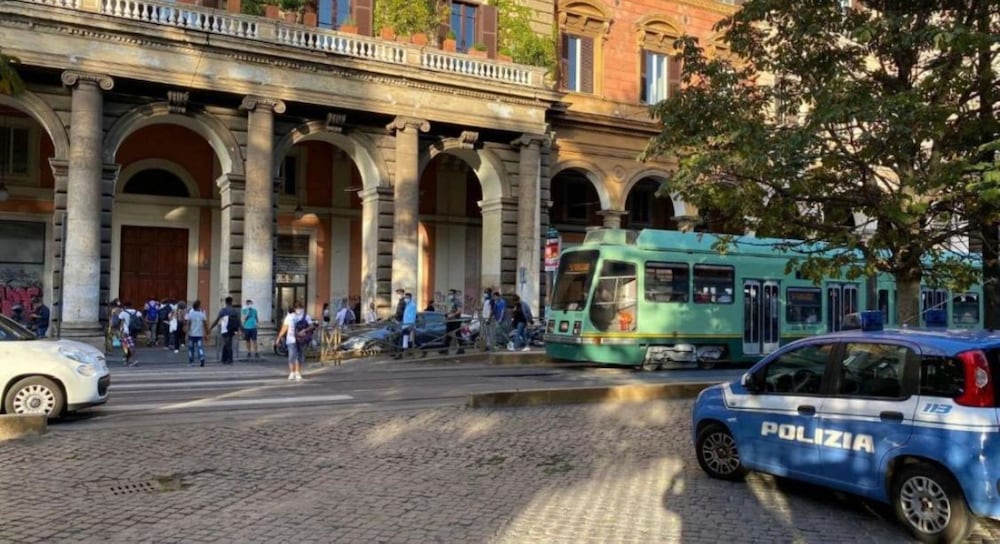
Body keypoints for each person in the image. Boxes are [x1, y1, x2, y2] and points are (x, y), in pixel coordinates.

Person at [275, 300, 314, 381]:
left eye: (301, 308)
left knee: (300, 356)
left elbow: (311, 326)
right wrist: (279, 337)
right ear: (295, 308)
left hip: (301, 339)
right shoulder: (290, 316)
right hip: (291, 339)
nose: (299, 310)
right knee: (292, 356)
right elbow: (285, 327)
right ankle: (292, 372)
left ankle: (297, 372)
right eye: (298, 308)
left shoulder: (306, 316)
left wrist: (304, 330)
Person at [209, 296, 240, 364]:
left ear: (226, 302)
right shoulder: (234, 311)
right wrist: (242, 329)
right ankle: (224, 358)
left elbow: (217, 320)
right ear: (231, 302)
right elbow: (238, 321)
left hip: (225, 329)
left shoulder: (223, 310)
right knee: (228, 343)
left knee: (227, 344)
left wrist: (211, 327)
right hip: (232, 329)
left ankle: (229, 359)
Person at [184, 299, 207, 367]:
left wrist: (186, 333)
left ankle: (191, 362)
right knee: (200, 347)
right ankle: (202, 358)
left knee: (191, 348)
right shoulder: (202, 314)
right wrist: (206, 332)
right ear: (198, 306)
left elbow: (188, 324)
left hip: (192, 334)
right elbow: (205, 324)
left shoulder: (190, 314)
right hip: (199, 334)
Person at [394, 292, 416, 358]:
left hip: (409, 325)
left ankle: (400, 354)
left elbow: (413, 316)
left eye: (407, 298)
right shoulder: (407, 305)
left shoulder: (412, 305)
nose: (406, 299)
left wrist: (411, 325)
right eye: (405, 298)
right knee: (406, 339)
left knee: (404, 339)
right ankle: (404, 353)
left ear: (410, 298)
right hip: (405, 325)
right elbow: (404, 315)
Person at [119, 301, 141, 367]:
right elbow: (141, 319)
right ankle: (126, 360)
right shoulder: (136, 312)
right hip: (134, 331)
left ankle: (133, 360)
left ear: (125, 306)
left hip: (126, 332)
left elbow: (120, 321)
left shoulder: (123, 313)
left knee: (128, 346)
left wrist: (121, 331)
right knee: (130, 345)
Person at [443, 288, 463, 354]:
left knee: (457, 334)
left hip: (456, 320)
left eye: (451, 294)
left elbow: (459, 310)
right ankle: (445, 349)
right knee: (448, 334)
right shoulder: (450, 301)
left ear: (454, 294)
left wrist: (452, 315)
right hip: (450, 320)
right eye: (449, 294)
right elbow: (452, 310)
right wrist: (447, 313)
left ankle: (461, 349)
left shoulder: (457, 301)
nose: (449, 295)